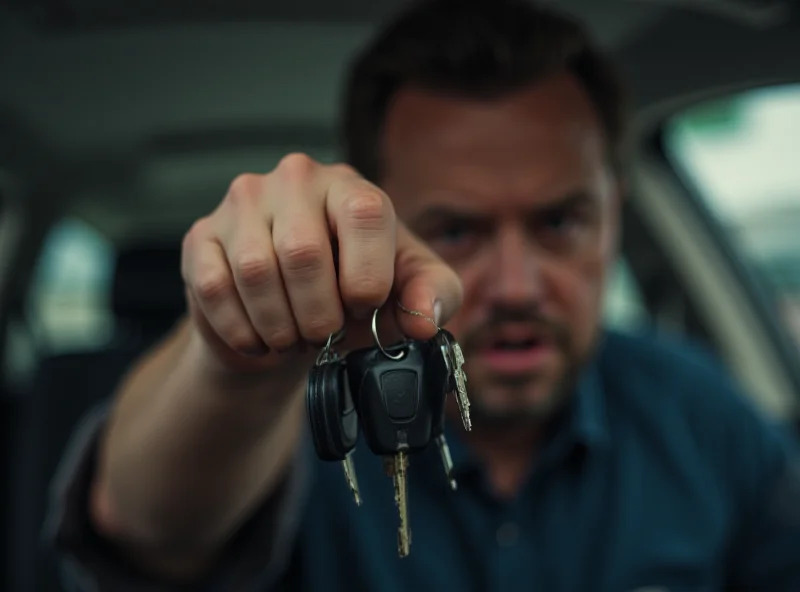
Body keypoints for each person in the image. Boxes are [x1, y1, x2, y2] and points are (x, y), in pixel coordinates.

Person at [47, 0, 800, 590]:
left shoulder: (702, 415)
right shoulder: (300, 424)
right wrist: (238, 362)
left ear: (615, 211)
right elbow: (143, 533)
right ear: (377, 222)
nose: (516, 287)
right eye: (457, 231)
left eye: (562, 222)